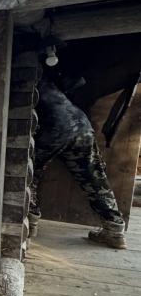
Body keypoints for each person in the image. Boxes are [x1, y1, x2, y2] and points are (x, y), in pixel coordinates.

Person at [29, 77, 126, 248]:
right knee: (94, 178)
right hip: (81, 127)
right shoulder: (48, 82)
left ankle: (29, 223)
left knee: (27, 176)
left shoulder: (24, 83)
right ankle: (115, 229)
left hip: (51, 131)